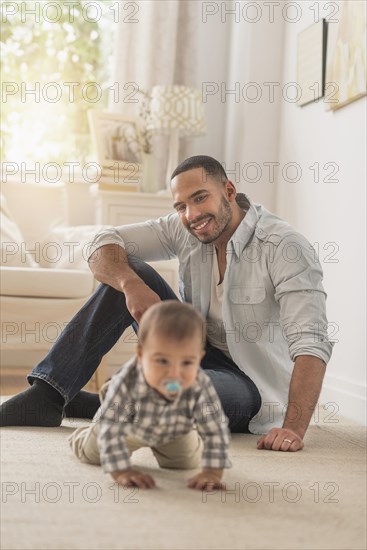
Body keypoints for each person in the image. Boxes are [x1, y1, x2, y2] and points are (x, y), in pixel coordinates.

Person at [0, 155, 334, 453]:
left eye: (200, 198)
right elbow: (102, 243)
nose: (192, 215)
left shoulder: (285, 247)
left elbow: (312, 342)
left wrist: (292, 428)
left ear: (229, 191)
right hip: (193, 352)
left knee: (171, 397)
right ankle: (49, 395)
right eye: (181, 206)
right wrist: (130, 284)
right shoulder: (187, 227)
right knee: (130, 270)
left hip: (252, 385)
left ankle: (104, 403)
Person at [69, 300, 231, 490]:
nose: (174, 374)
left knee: (185, 463)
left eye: (187, 362)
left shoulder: (199, 383)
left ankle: (188, 434)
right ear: (141, 354)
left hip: (174, 427)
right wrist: (121, 471)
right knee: (95, 454)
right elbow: (111, 430)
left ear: (199, 359)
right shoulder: (127, 382)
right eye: (162, 361)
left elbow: (214, 428)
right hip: (128, 424)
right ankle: (83, 434)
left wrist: (212, 472)